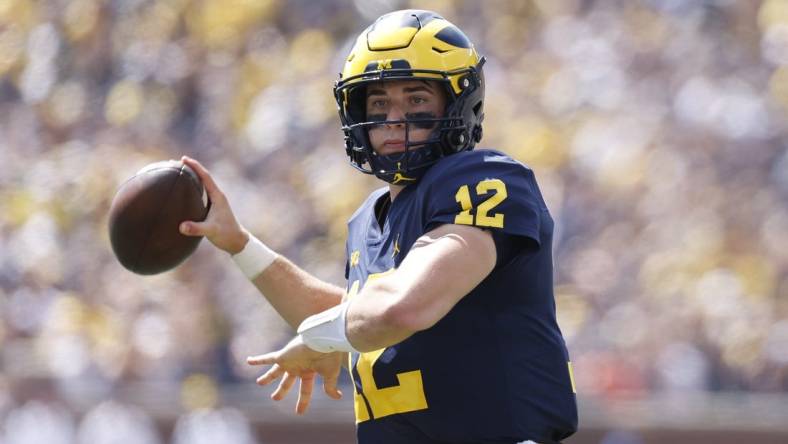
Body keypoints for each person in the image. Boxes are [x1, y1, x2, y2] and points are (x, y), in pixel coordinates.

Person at [179, 9, 578, 444]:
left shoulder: (484, 178)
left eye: (417, 100)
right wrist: (239, 244)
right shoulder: (368, 218)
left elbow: (401, 308)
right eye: (379, 102)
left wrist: (320, 338)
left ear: (460, 103)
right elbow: (354, 315)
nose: (393, 119)